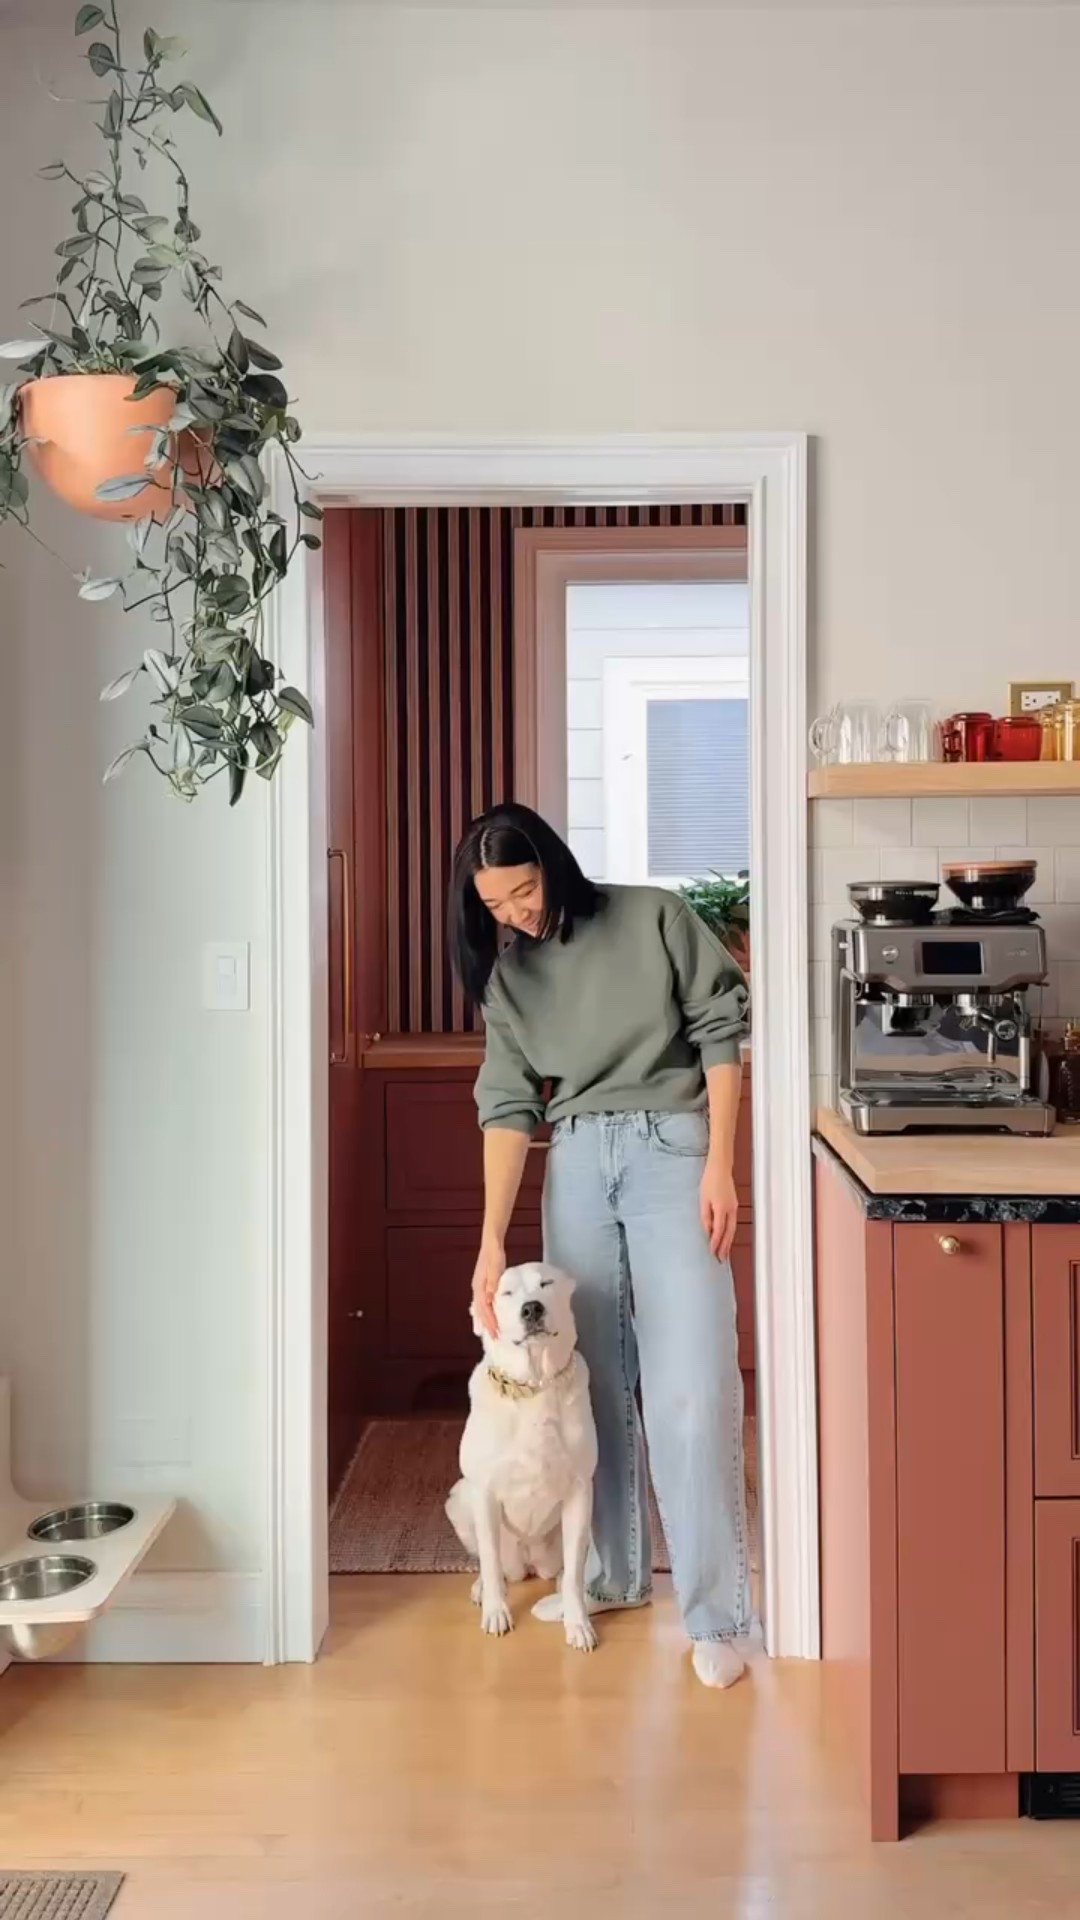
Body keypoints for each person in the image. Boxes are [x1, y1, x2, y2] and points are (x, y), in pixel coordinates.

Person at [448, 801, 752, 1689]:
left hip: (673, 1149)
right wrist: (489, 1242)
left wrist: (721, 1165)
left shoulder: (654, 915)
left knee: (691, 1385)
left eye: (524, 890)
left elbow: (719, 1031)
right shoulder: (512, 980)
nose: (515, 914)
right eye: (495, 906)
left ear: (553, 863)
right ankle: (609, 1576)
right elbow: (508, 1107)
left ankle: (716, 1614)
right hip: (576, 1160)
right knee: (589, 1383)